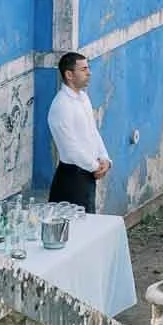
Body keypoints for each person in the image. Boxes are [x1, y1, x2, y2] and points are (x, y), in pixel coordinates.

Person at [46, 51, 111, 213]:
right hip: (72, 178)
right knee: (74, 230)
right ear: (69, 74)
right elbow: (70, 148)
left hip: (87, 174)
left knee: (88, 225)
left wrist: (105, 158)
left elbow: (92, 132)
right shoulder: (62, 105)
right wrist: (95, 166)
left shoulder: (83, 98)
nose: (89, 73)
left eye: (87, 68)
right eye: (83, 69)